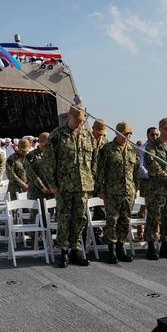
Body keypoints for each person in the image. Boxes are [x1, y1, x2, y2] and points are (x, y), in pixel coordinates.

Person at [46, 105, 96, 267]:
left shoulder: (88, 136)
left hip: (83, 185)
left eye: (82, 121)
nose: (79, 124)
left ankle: (76, 250)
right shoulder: (57, 135)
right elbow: (49, 162)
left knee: (80, 218)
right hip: (64, 186)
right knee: (64, 218)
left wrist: (92, 179)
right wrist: (53, 185)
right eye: (77, 120)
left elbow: (94, 160)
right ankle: (64, 251)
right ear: (69, 116)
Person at [95, 121, 139, 264]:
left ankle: (121, 247)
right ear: (117, 133)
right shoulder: (107, 149)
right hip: (112, 192)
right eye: (124, 134)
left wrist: (135, 188)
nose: (127, 136)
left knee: (125, 221)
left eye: (129, 134)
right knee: (112, 221)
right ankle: (111, 250)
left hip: (128, 192)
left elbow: (136, 171)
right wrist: (100, 189)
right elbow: (100, 171)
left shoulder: (132, 150)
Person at [144, 117, 167, 260]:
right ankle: (151, 246)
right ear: (160, 129)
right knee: (154, 218)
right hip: (156, 190)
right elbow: (152, 165)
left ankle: (166, 245)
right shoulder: (151, 147)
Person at [135, 126, 158, 242]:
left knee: (156, 208)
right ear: (147, 135)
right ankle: (140, 232)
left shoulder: (159, 148)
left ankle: (156, 232)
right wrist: (152, 175)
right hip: (146, 180)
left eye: (156, 135)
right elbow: (141, 166)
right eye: (152, 135)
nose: (155, 137)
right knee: (143, 207)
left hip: (157, 181)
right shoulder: (142, 149)